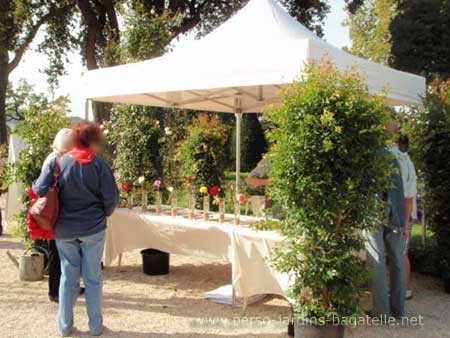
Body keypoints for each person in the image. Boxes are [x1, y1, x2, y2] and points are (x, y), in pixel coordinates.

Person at [33, 121, 119, 337]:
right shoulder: (100, 165)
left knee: (67, 277)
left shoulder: (59, 162)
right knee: (93, 278)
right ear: (91, 141)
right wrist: (103, 214)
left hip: (64, 230)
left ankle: (64, 327)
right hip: (93, 228)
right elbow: (111, 200)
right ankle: (96, 327)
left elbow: (38, 188)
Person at [28, 128, 76, 303]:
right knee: (60, 253)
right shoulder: (61, 159)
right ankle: (56, 291)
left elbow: (38, 188)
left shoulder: (52, 157)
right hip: (60, 212)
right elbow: (41, 187)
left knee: (59, 251)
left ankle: (62, 289)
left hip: (55, 211)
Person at [366, 121, 407, 319]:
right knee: (397, 260)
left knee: (377, 260)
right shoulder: (398, 156)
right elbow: (404, 192)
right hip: (398, 213)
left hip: (376, 211)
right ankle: (398, 309)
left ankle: (381, 312)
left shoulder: (370, 155)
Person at [397, 135, 418, 300]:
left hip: (406, 215)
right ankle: (404, 288)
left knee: (402, 253)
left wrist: (404, 225)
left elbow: (409, 199)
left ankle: (406, 289)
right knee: (401, 252)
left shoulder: (405, 164)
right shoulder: (407, 162)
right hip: (406, 214)